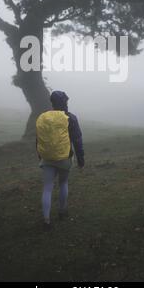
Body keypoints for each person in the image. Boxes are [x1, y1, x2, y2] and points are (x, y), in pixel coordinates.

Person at [36, 90, 84, 230]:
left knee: (47, 188)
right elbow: (77, 140)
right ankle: (62, 212)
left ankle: (46, 220)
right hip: (65, 158)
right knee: (63, 183)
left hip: (47, 159)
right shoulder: (70, 118)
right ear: (65, 102)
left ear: (52, 103)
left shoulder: (43, 117)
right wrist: (81, 159)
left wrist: (41, 156)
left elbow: (38, 139)